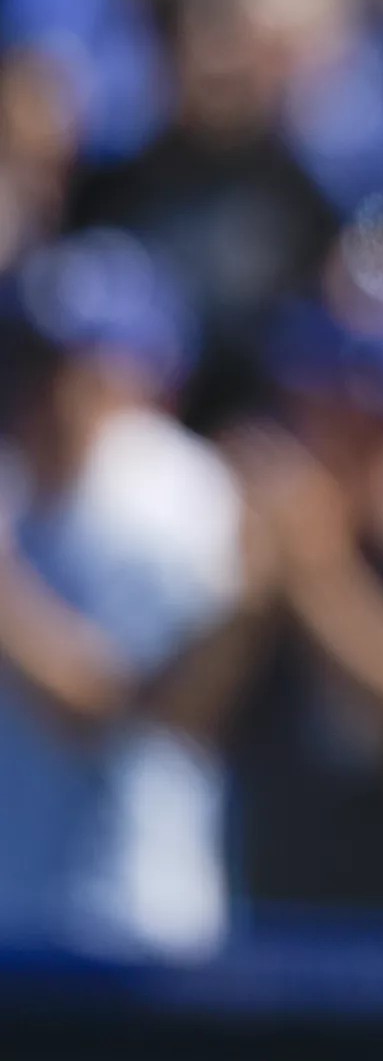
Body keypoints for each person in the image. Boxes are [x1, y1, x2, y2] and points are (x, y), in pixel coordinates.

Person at [0, 231, 253, 958]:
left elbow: (109, 704)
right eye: (29, 359)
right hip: (19, 920)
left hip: (134, 921)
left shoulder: (174, 495)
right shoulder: (15, 490)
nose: (47, 389)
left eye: (74, 362)